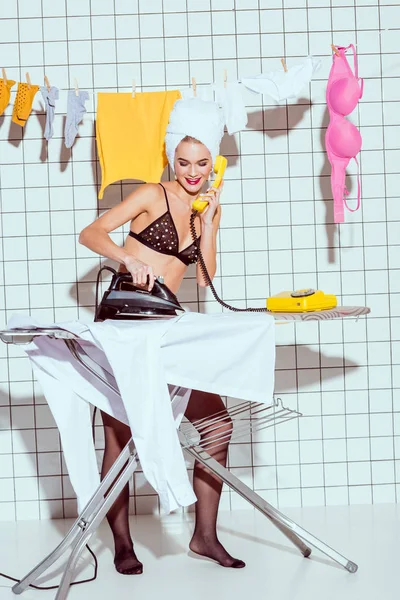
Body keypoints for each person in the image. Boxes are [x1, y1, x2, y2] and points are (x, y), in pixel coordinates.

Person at [79, 98, 245, 574]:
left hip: (167, 323)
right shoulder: (152, 194)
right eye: (183, 162)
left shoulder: (203, 205)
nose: (193, 172)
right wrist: (126, 258)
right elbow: (90, 233)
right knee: (121, 436)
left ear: (214, 162)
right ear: (172, 159)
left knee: (218, 425)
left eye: (202, 163)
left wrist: (210, 223)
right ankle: (123, 544)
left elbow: (205, 278)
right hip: (127, 325)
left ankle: (205, 536)